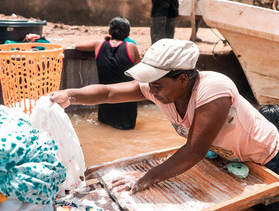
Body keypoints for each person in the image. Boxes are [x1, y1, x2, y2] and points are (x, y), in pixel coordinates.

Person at [49, 38, 279, 196]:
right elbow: (109, 93)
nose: (151, 89)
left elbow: (194, 150)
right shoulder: (157, 89)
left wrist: (145, 177)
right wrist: (70, 95)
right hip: (231, 159)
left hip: (267, 159)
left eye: (157, 84)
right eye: (150, 83)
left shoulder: (214, 89)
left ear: (182, 79)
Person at [74, 17, 141, 130]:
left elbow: (77, 46)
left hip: (104, 99)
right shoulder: (131, 47)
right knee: (126, 131)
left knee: (105, 127)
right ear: (127, 33)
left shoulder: (98, 44)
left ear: (110, 31)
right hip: (126, 100)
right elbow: (140, 69)